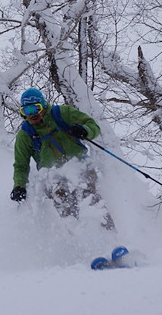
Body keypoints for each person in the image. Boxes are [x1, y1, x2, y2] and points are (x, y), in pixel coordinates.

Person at [11, 88, 110, 225]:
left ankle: (110, 237)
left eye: (35, 108)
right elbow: (21, 165)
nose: (32, 114)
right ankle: (80, 235)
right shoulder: (25, 135)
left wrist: (85, 130)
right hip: (53, 174)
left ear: (43, 106)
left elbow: (92, 125)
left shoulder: (63, 114)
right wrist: (19, 186)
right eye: (26, 111)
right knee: (62, 199)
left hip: (79, 165)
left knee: (89, 196)